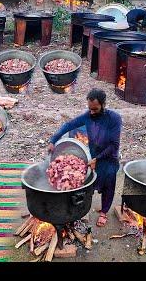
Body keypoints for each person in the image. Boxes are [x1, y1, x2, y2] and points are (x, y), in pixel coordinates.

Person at [48, 89, 122, 228]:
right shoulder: (88, 116)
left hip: (108, 158)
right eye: (89, 109)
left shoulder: (114, 119)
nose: (92, 112)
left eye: (95, 109)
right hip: (93, 155)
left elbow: (114, 145)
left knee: (108, 185)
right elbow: (68, 125)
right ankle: (84, 209)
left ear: (103, 104)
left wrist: (98, 159)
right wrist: (53, 140)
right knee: (88, 184)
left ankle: (104, 212)